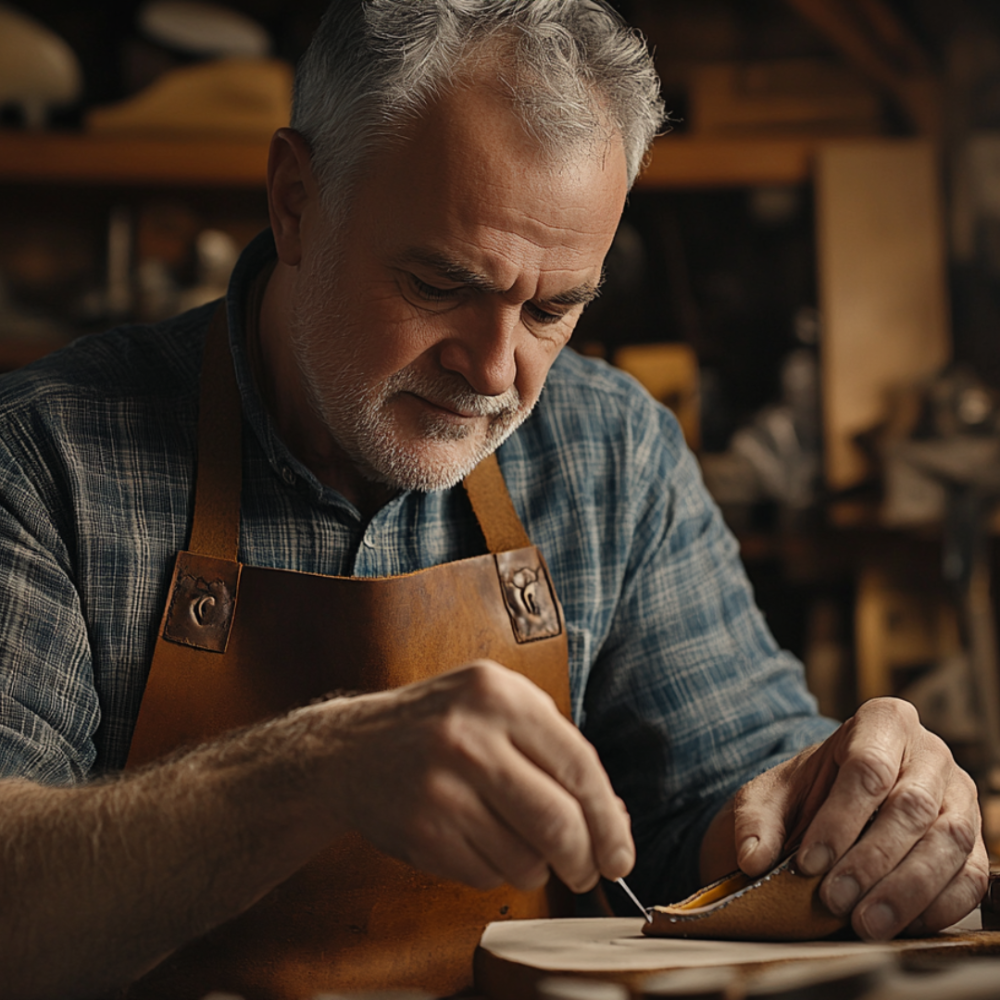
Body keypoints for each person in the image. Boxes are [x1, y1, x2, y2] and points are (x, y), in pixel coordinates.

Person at [0, 1, 986, 998]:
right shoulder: (46, 455)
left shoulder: (612, 454)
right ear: (296, 199)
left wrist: (847, 812)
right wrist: (314, 771)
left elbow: (733, 788)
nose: (494, 370)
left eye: (553, 308)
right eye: (439, 283)